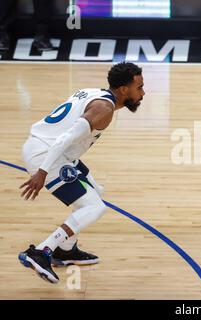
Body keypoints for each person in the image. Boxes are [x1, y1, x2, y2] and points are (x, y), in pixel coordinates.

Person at [18, 62, 145, 284]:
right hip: (46, 155)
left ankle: (66, 251)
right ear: (124, 90)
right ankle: (41, 251)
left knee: (95, 191)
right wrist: (42, 172)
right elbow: (63, 139)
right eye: (139, 88)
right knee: (94, 207)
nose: (143, 93)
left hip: (56, 152)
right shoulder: (104, 110)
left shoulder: (95, 92)